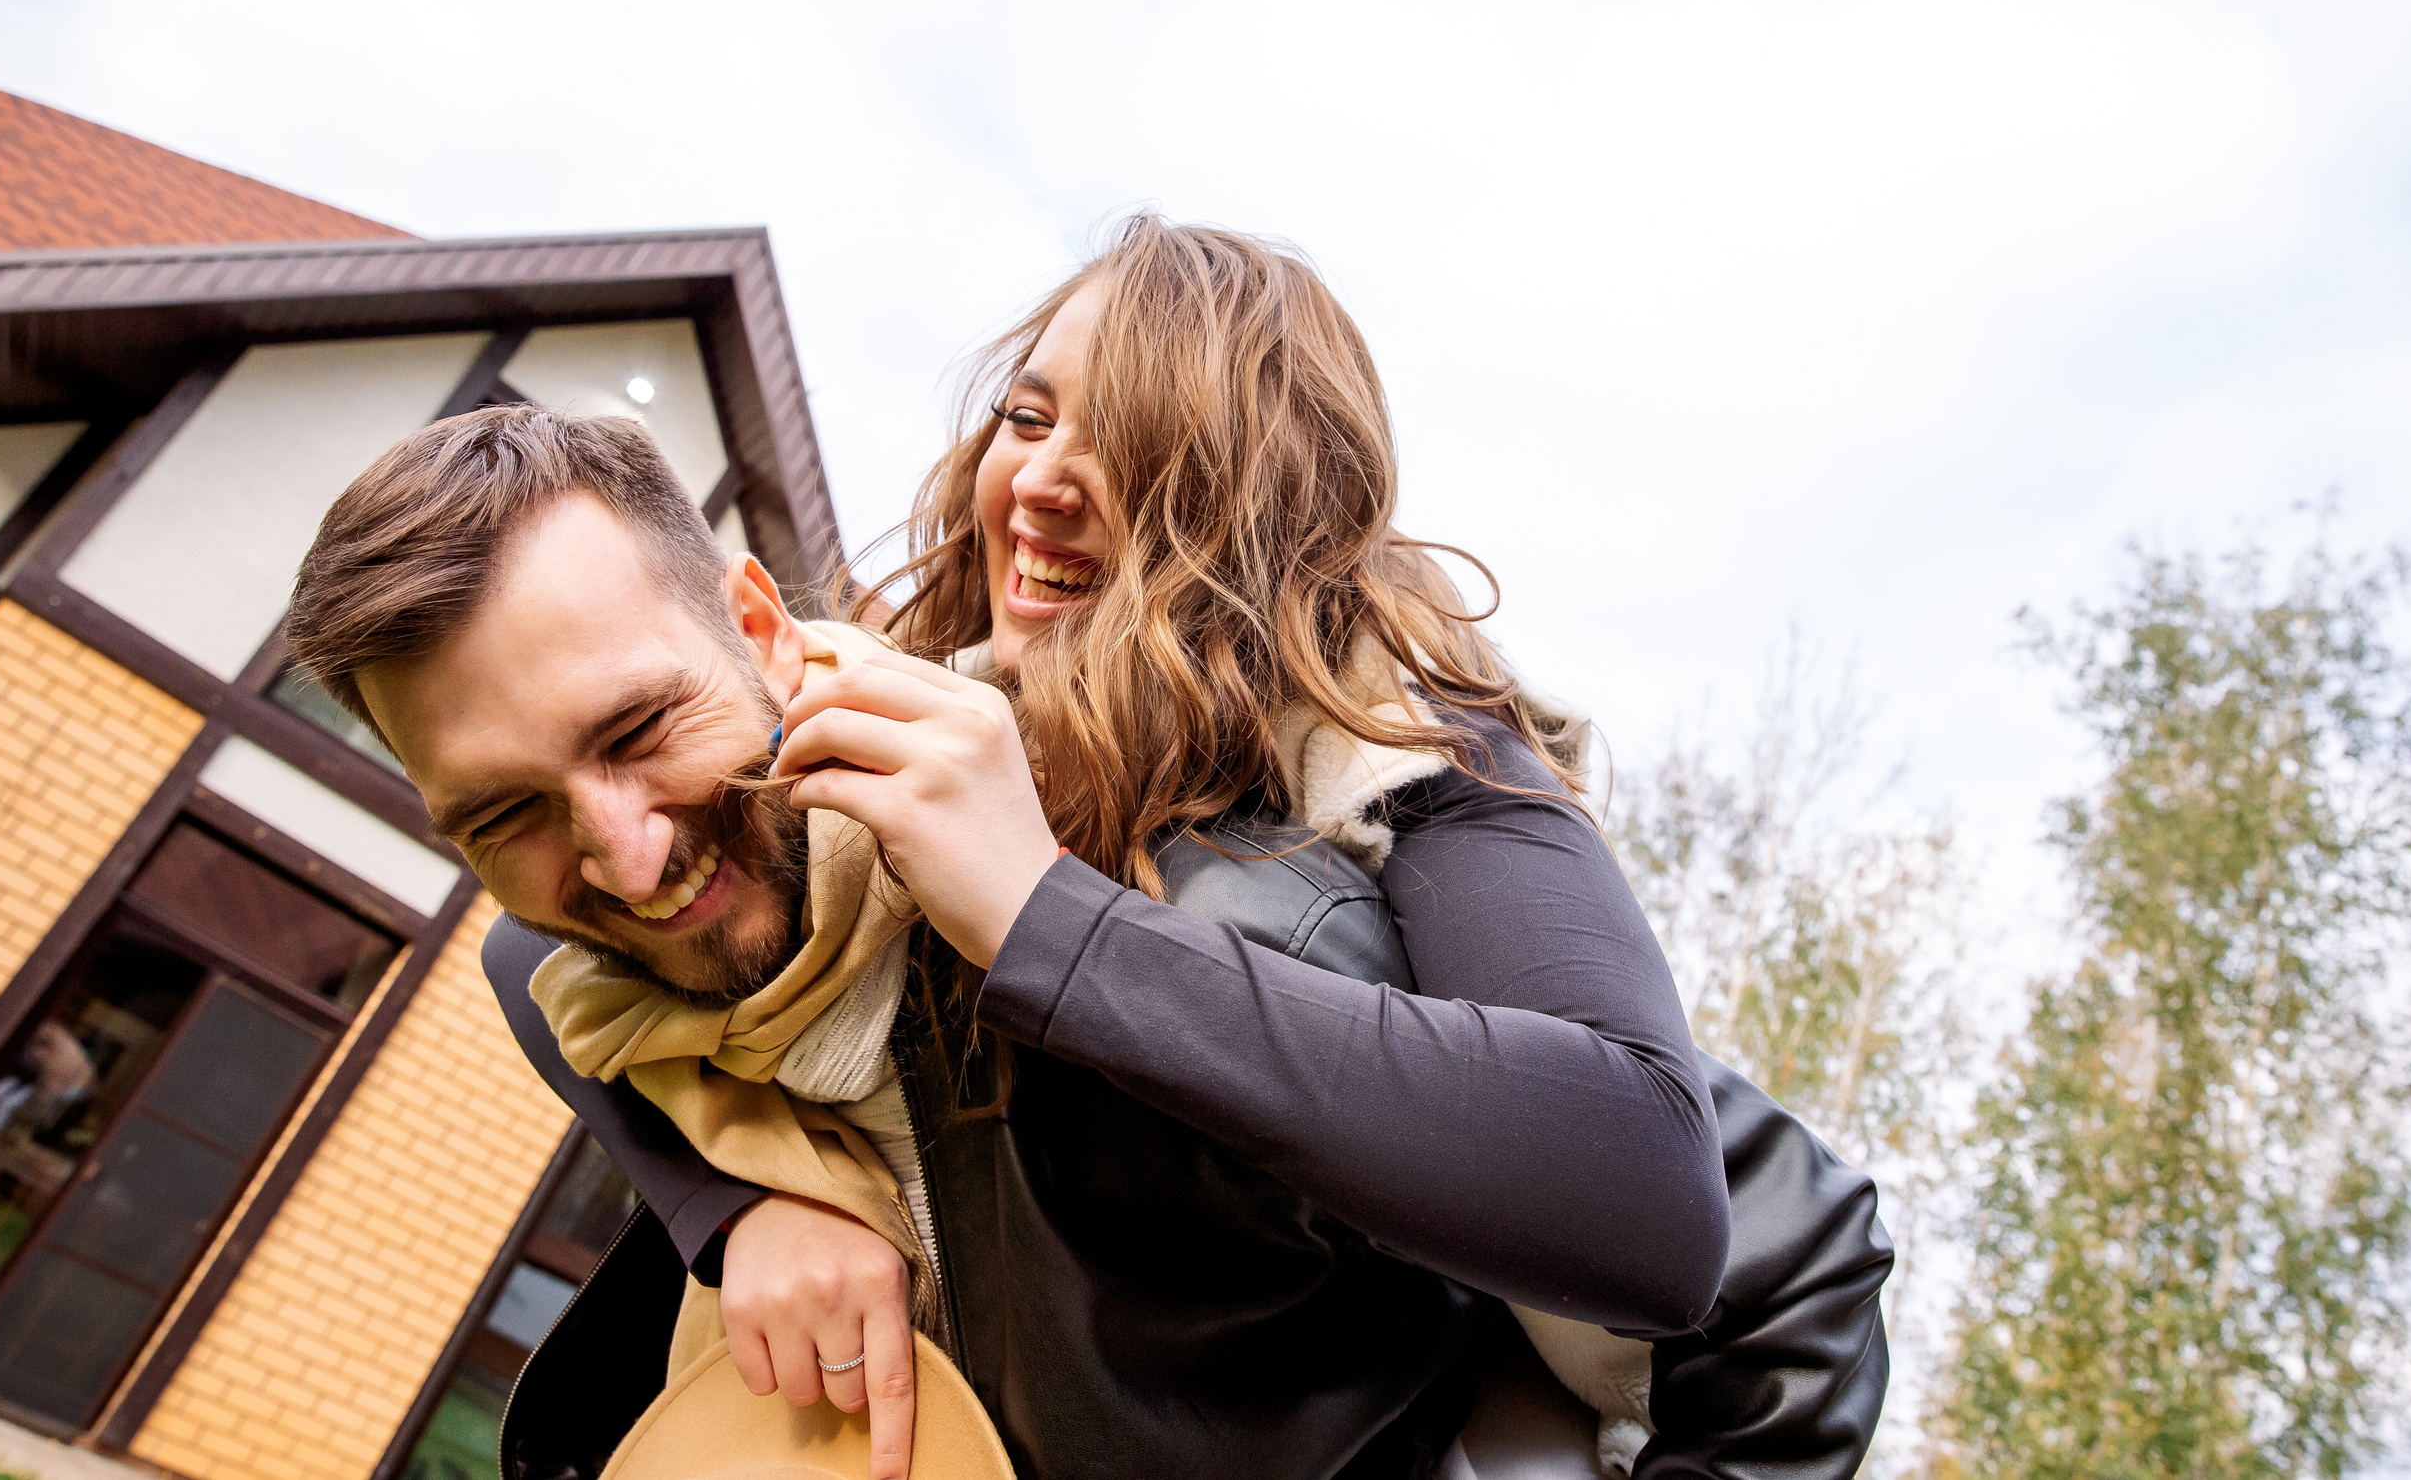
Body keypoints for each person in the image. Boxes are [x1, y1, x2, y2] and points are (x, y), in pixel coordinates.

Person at [285, 218, 1891, 1480]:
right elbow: (535, 955)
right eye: (1024, 417)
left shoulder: (1382, 789)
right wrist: (733, 1208)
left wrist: (1047, 922)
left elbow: (1669, 1206)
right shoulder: (877, 740)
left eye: (1126, 437)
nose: (1038, 476)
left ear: (1260, 501)